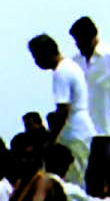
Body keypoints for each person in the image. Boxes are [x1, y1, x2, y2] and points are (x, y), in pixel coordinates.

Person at [69, 17, 110, 192]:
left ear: (92, 36)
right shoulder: (76, 61)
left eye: (80, 40)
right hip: (86, 124)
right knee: (91, 172)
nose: (78, 44)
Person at [27, 34, 93, 185]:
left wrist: (50, 140)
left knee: (72, 179)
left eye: (36, 57)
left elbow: (63, 109)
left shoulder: (61, 73)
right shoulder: (71, 66)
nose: (36, 62)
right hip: (81, 130)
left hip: (73, 132)